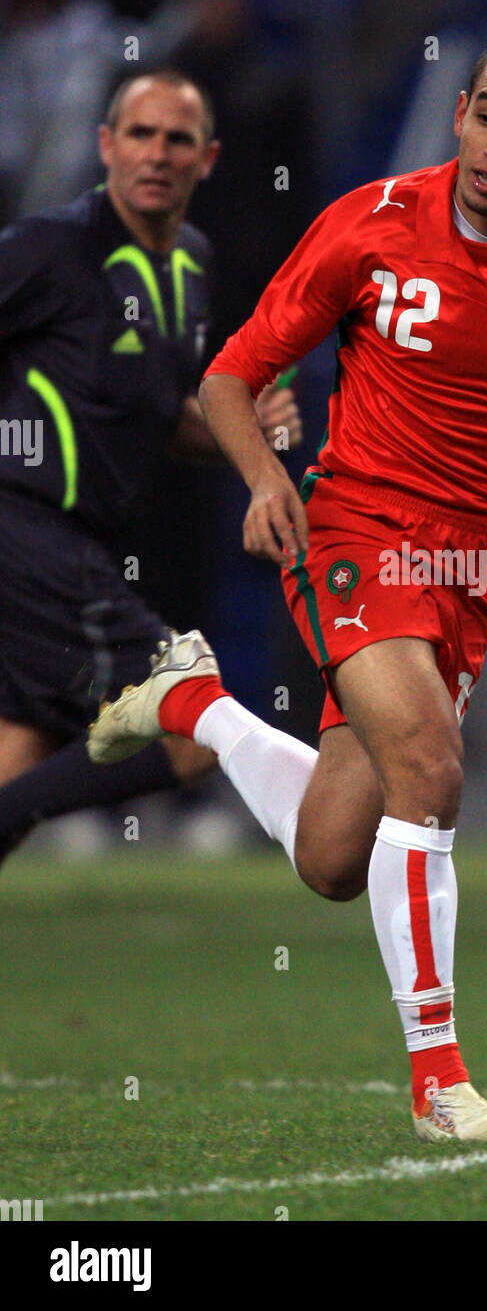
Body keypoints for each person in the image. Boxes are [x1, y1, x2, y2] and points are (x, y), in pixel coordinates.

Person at [89, 25, 487, 1143]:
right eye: (486, 113)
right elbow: (233, 376)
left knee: (335, 858)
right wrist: (265, 480)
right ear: (460, 112)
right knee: (430, 765)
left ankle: (192, 702)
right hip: (353, 530)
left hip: (472, 570)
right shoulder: (370, 224)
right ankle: (439, 1080)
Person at [0, 69, 299, 865]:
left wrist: (246, 432)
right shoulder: (51, 248)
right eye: (140, 134)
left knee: (19, 765)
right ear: (106, 146)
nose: (157, 153)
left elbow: (159, 417)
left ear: (207, 158)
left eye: (177, 139)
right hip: (28, 531)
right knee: (190, 729)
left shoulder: (193, 262)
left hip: (79, 548)